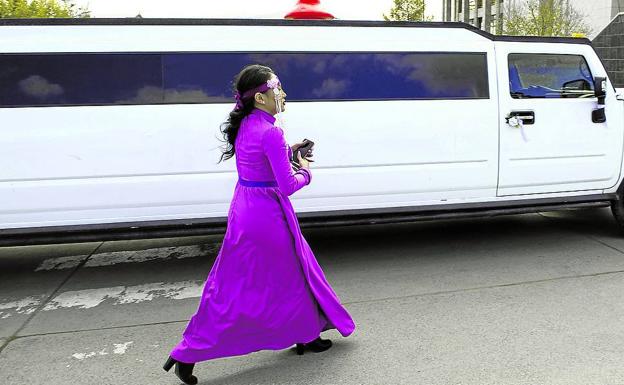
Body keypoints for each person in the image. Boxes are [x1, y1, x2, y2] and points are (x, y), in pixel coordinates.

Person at [163, 64, 356, 384]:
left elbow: (260, 163)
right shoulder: (271, 132)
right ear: (260, 99)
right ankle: (192, 350)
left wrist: (287, 152)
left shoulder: (248, 125)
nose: (282, 94)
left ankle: (303, 336)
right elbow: (288, 185)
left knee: (234, 286)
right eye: (276, 90)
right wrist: (305, 169)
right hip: (268, 214)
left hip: (244, 209)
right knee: (292, 276)